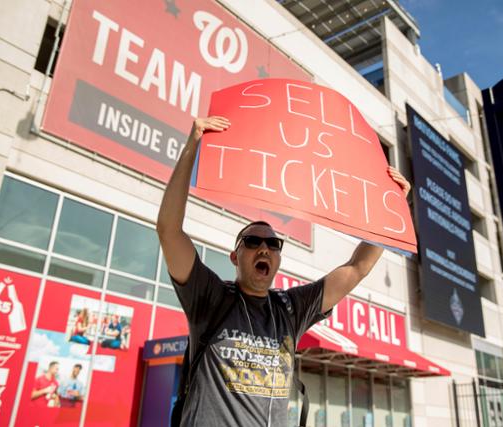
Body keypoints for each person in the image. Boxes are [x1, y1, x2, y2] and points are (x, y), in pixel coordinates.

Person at [157, 117, 411, 427]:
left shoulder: (291, 310)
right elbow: (169, 231)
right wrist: (193, 143)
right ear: (236, 257)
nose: (263, 248)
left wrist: (394, 206)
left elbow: (357, 268)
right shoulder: (211, 297)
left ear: (278, 257)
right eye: (253, 241)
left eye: (273, 243)